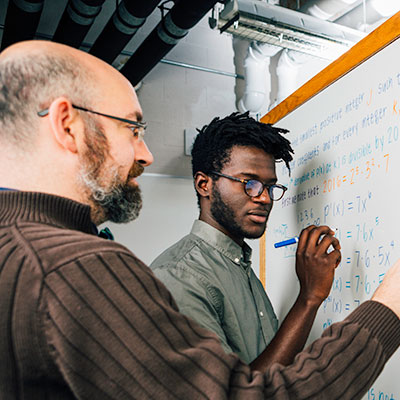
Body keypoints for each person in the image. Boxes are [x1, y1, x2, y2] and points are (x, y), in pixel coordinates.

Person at [0, 40, 399, 400]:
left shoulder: (16, 249)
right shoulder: (77, 266)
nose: (146, 155)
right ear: (66, 125)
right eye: (132, 128)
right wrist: (388, 305)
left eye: (269, 187)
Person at [150, 113, 341, 366]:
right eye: (249, 184)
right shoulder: (178, 276)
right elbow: (232, 394)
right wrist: (309, 297)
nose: (264, 198)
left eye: (270, 186)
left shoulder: (238, 266)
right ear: (204, 184)